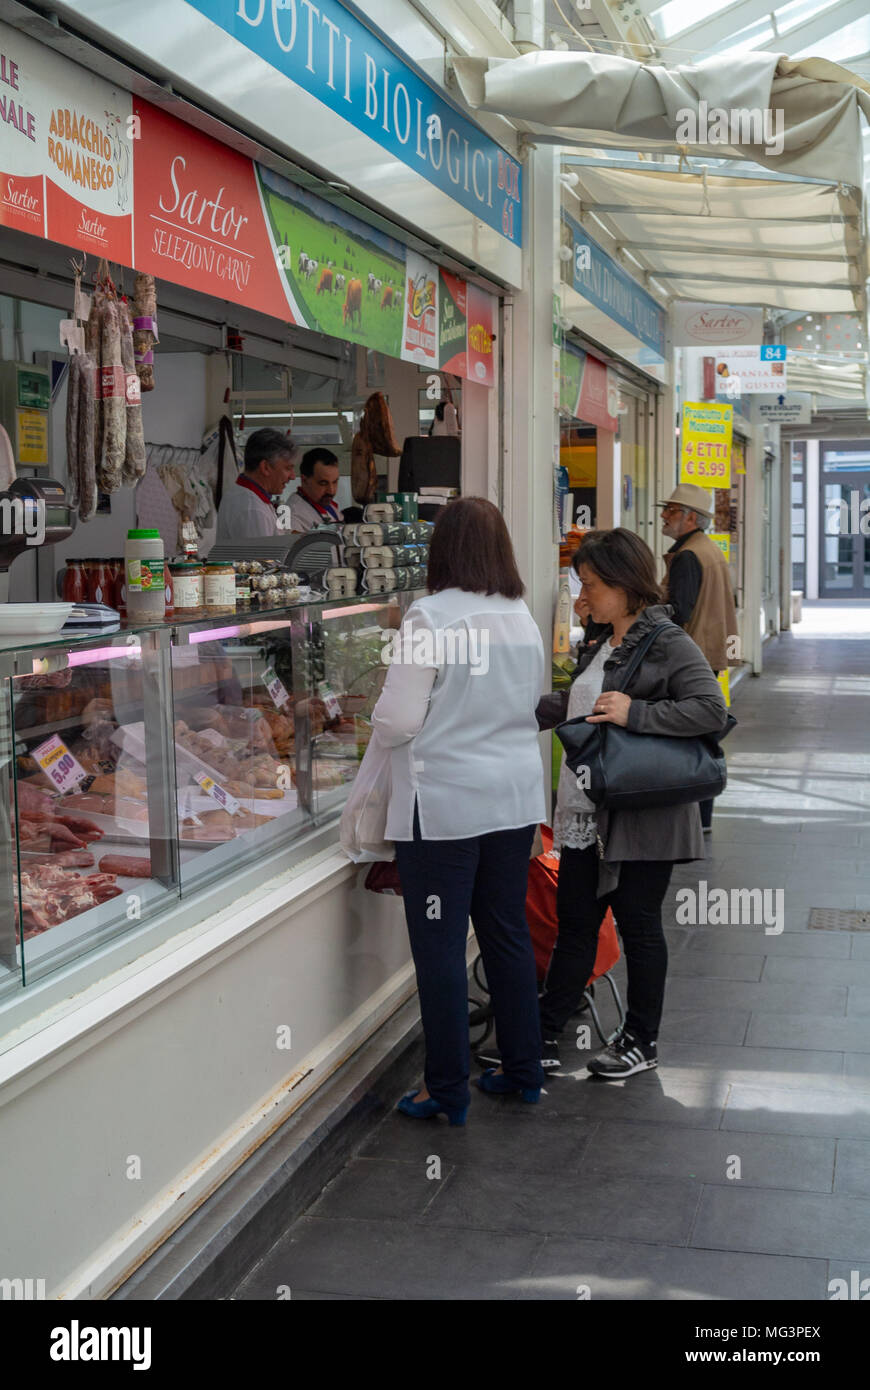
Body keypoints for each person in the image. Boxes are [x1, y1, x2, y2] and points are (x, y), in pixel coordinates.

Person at [370, 497, 547, 1125]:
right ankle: (524, 1069)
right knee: (506, 931)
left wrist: (374, 710)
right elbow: (532, 704)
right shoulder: (520, 615)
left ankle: (446, 1089)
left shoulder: (429, 617)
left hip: (443, 806)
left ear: (441, 549)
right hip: (514, 799)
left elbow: (396, 720)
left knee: (441, 950)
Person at [536, 528, 728, 1079]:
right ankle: (544, 1036)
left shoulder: (665, 639)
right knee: (575, 923)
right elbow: (584, 704)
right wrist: (518, 709)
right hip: (588, 809)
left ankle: (641, 1040)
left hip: (645, 814)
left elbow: (710, 710)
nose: (583, 596)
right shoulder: (604, 639)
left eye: (591, 584)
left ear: (623, 584)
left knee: (639, 923)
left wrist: (636, 714)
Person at [658, 483, 739, 833]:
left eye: (672, 511)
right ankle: (701, 815)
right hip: (708, 655)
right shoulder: (706, 550)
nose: (664, 516)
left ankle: (695, 813)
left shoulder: (689, 555)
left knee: (691, 737)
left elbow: (680, 612)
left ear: (692, 517)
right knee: (701, 735)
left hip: (691, 659)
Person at [215, 428, 298, 542]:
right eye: (288, 468)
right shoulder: (252, 509)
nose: (293, 476)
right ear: (265, 467)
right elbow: (261, 559)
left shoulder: (247, 497)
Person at [285, 447, 343, 531]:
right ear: (304, 480)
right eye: (323, 483)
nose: (331, 490)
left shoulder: (326, 504)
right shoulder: (291, 516)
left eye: (335, 482)